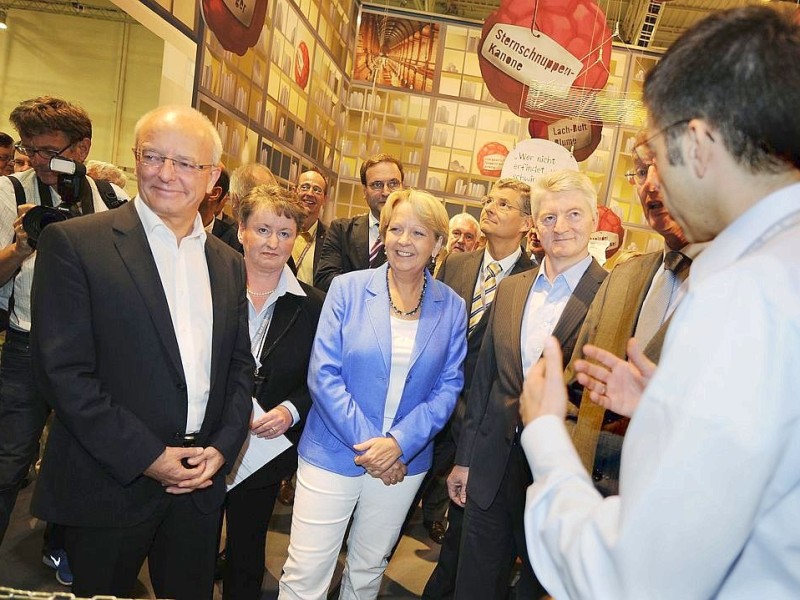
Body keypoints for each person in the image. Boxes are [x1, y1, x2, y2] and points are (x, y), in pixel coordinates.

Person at [519, 6, 800, 598]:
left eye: (654, 154)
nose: (652, 183)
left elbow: (634, 576)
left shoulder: (744, 296)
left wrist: (545, 433)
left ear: (697, 144)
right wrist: (670, 414)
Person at [28, 105, 253, 600]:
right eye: (153, 156)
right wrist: (149, 457)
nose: (165, 173)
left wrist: (222, 448)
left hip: (199, 482)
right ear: (135, 160)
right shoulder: (75, 244)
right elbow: (63, 374)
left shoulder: (229, 265)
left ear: (212, 175)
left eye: (185, 163)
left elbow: (240, 367)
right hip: (109, 481)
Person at [279, 189, 466, 599]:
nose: (404, 241)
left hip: (405, 461)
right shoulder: (346, 289)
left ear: (437, 243)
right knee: (306, 570)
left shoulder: (451, 307)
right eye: (395, 229)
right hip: (333, 452)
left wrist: (397, 444)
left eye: (418, 232)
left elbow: (448, 387)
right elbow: (323, 375)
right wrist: (376, 448)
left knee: (367, 571)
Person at [448, 170, 607, 599]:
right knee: (475, 586)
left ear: (594, 221)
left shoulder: (611, 293)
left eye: (574, 214)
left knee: (536, 590)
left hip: (558, 475)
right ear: (534, 225)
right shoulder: (513, 289)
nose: (561, 226)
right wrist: (464, 459)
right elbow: (485, 380)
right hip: (491, 468)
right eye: (549, 216)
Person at [0, 97, 129, 585]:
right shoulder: (9, 191)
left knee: (81, 460)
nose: (37, 161)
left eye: (49, 151)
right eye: (29, 150)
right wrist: (22, 245)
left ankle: (63, 548)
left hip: (94, 353)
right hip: (27, 345)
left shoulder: (108, 198)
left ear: (81, 149)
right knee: (10, 458)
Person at [564, 129, 704, 497]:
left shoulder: (738, 290)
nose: (650, 185)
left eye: (665, 167)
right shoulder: (623, 277)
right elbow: (574, 386)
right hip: (581, 502)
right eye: (641, 171)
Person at [423, 179, 535, 596]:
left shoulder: (533, 280)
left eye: (503, 204)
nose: (490, 207)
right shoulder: (456, 264)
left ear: (526, 222)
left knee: (467, 531)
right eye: (489, 199)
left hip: (484, 423)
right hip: (435, 410)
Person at [223, 184, 325, 600]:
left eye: (285, 233)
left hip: (266, 442)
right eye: (263, 229)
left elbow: (321, 376)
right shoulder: (212, 288)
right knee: (189, 542)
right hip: (206, 433)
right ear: (242, 230)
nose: (272, 242)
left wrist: (290, 410)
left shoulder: (314, 305)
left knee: (247, 548)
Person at [314, 154, 404, 291]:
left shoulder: (415, 237)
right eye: (377, 185)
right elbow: (324, 279)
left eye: (393, 184)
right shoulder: (341, 230)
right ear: (364, 191)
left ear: (403, 187)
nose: (386, 192)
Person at [289, 168, 328, 288]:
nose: (310, 194)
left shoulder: (330, 239)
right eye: (305, 187)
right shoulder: (278, 230)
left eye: (317, 190)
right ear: (294, 191)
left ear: (324, 199)